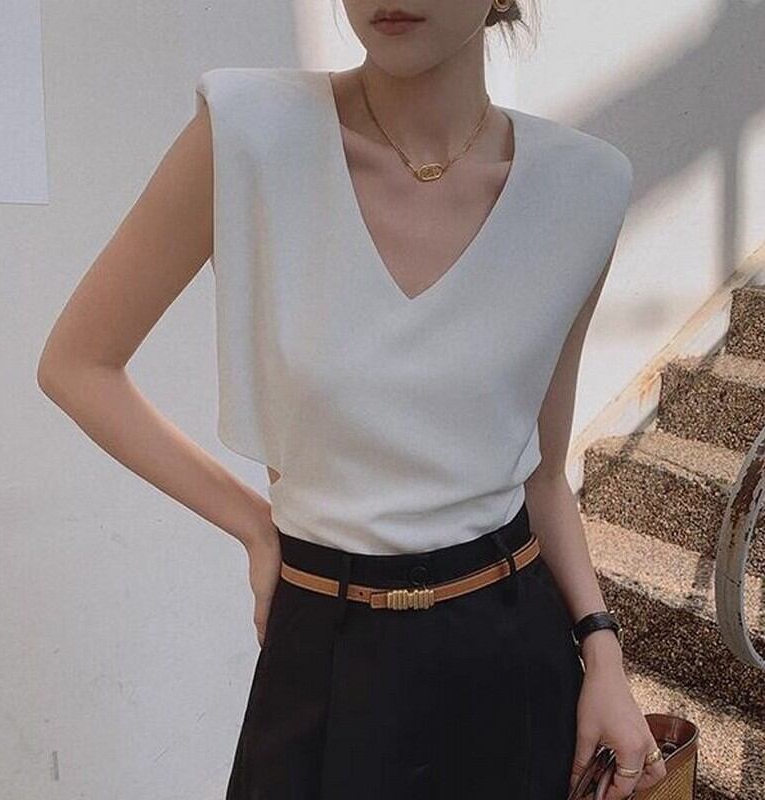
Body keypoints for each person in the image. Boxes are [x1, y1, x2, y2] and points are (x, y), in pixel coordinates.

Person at [37, 1, 669, 798]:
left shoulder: (583, 186)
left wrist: (603, 652)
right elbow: (78, 365)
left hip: (512, 658)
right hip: (323, 653)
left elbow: (541, 474)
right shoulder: (249, 133)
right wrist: (254, 525)